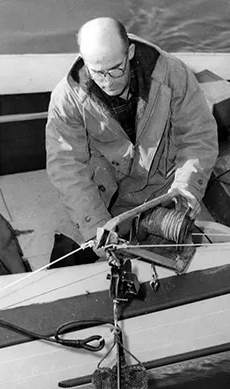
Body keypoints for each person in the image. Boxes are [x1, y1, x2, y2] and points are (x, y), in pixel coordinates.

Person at [46, 17, 218, 266]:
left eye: (116, 68)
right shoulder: (65, 99)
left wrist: (186, 189)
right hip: (102, 199)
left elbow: (198, 137)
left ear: (130, 52)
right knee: (61, 271)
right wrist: (96, 227)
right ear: (85, 62)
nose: (108, 80)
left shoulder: (173, 74)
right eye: (97, 72)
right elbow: (67, 169)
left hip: (161, 194)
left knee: (173, 271)